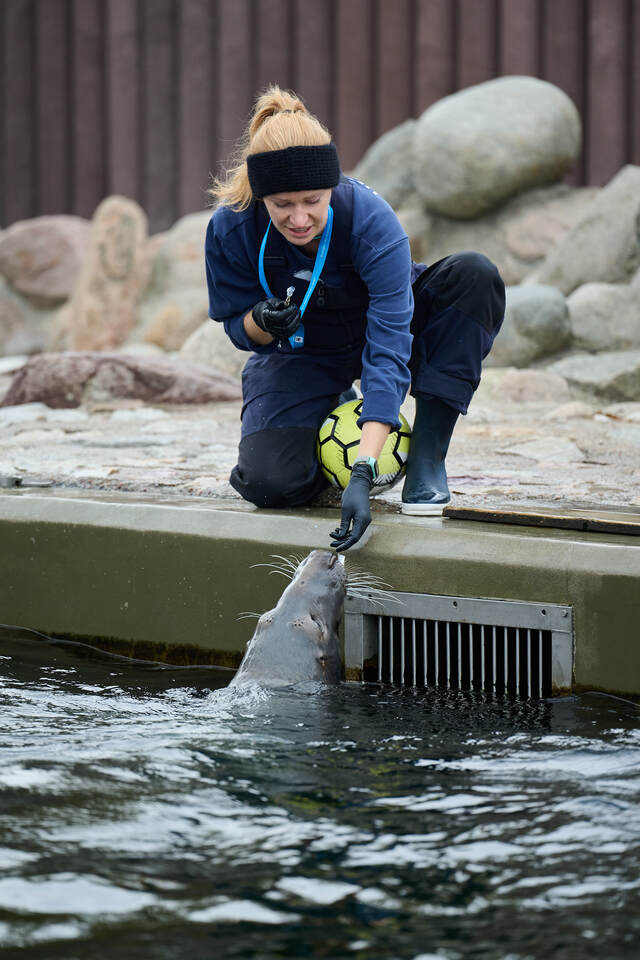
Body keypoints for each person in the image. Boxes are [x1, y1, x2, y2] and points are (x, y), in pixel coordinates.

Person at [205, 86, 505, 550]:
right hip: (303, 349)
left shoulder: (371, 220)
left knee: (474, 274)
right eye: (283, 205)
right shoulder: (230, 226)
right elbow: (236, 328)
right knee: (269, 484)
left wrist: (363, 470)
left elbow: (388, 349)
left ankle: (426, 456)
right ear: (261, 195)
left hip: (378, 327)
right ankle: (330, 407)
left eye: (313, 200)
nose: (300, 218)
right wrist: (263, 319)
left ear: (333, 187)